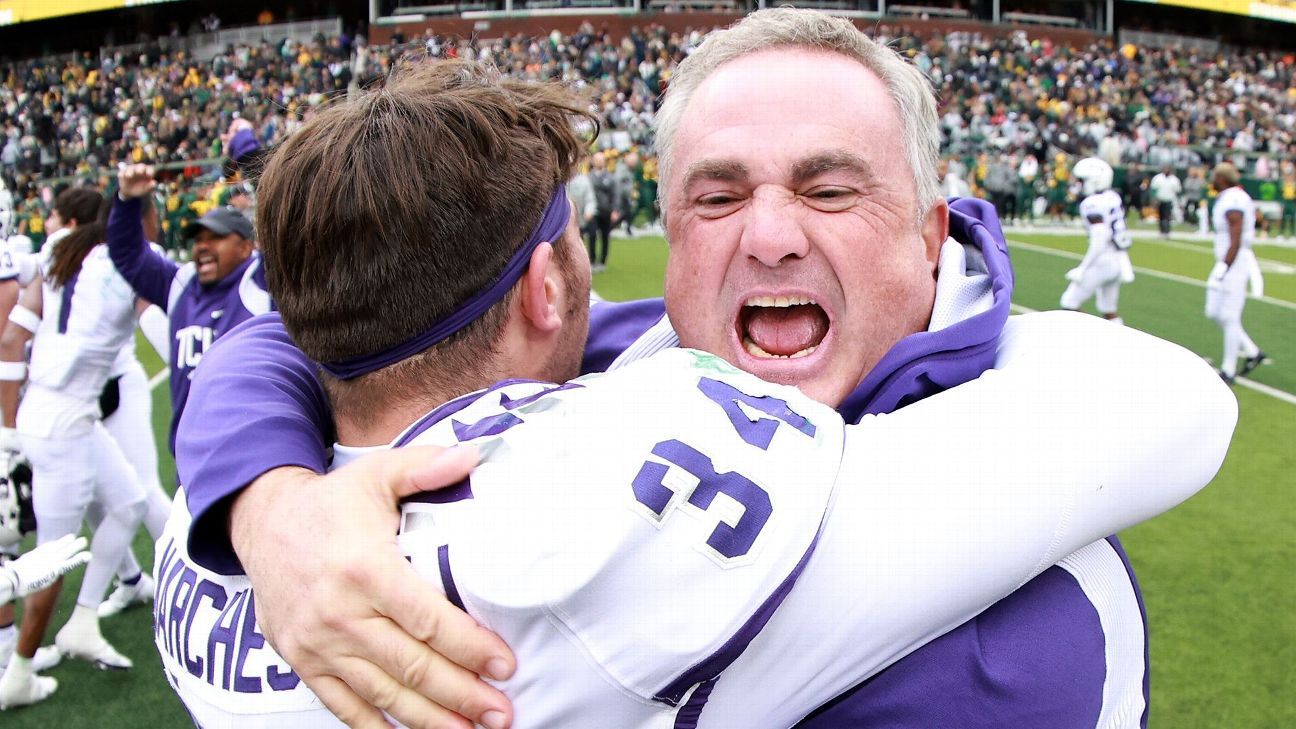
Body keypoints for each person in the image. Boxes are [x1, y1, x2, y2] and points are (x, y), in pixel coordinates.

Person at [173, 10, 1215, 728]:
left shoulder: (1005, 624)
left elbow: (1174, 406)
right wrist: (272, 510)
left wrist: (264, 503)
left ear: (931, 234)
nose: (766, 237)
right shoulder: (654, 358)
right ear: (660, 248)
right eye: (715, 200)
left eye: (829, 189)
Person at [0, 187, 149, 708]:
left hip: (58, 413)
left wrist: (10, 423)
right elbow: (162, 322)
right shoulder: (121, 264)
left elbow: (13, 337)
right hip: (62, 424)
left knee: (128, 503)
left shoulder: (58, 254)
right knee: (50, 560)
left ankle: (83, 622)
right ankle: (17, 673)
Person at [105, 184, 272, 451]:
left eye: (216, 238)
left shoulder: (262, 280)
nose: (202, 247)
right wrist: (126, 199)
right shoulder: (181, 284)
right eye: (198, 239)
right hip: (192, 457)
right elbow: (127, 253)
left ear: (245, 247)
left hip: (255, 451)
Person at [1206, 163, 1267, 383]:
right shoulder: (1231, 196)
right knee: (1214, 311)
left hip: (1234, 262)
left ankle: (1228, 370)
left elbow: (1236, 236)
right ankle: (1252, 351)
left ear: (1222, 178)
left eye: (1215, 176)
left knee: (1230, 316)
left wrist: (1224, 266)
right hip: (1229, 261)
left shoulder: (1233, 200)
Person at [1060, 157, 1134, 325]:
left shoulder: (1091, 203)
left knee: (1069, 303)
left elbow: (1101, 238)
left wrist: (1083, 268)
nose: (1078, 184)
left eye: (1081, 180)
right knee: (1108, 310)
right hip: (1116, 259)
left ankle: (1093, 341)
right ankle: (1120, 343)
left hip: (1102, 260)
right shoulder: (1113, 196)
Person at [1149, 165, 1182, 238]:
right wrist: (1154, 199)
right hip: (1160, 200)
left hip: (1169, 200)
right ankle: (1161, 231)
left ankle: (1166, 231)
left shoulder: (1174, 179)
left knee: (1167, 217)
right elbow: (1153, 189)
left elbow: (1178, 191)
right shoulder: (1158, 178)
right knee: (1161, 216)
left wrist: (1179, 202)